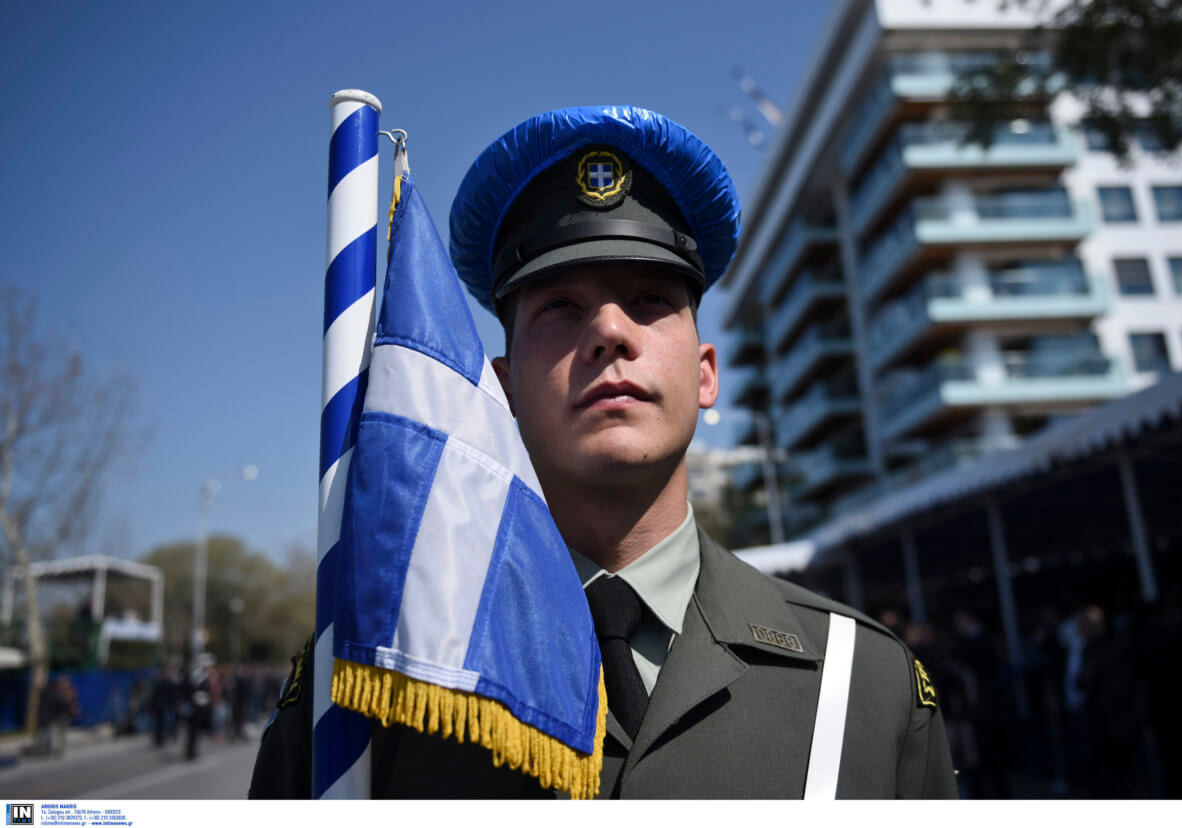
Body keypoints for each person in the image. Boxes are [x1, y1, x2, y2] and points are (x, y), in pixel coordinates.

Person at [249, 106, 956, 798]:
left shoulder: (863, 682)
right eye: (560, 306)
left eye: (649, 299)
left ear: (706, 374)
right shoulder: (376, 669)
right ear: (503, 387)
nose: (610, 332)